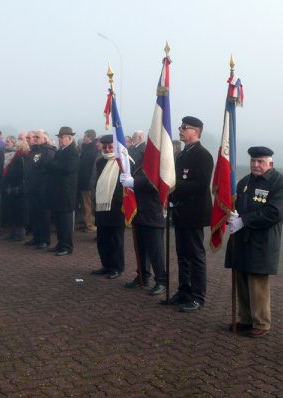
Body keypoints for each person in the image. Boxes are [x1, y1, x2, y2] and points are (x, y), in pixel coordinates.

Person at [225, 146, 283, 338]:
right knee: (242, 278)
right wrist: (234, 216)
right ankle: (246, 319)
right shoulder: (245, 181)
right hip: (242, 237)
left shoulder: (279, 183)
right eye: (253, 161)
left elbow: (274, 213)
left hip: (262, 239)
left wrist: (244, 220)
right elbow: (238, 205)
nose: (255, 165)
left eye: (260, 161)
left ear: (271, 163)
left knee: (257, 281)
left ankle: (261, 322)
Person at [167, 116, 214, 312]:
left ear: (196, 131)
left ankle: (197, 296)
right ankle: (184, 290)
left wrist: (175, 188)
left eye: (184, 128)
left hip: (194, 211)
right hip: (180, 211)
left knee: (195, 255)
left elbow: (201, 185)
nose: (180, 130)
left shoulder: (203, 155)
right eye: (181, 127)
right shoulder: (181, 155)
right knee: (182, 254)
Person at [120, 161, 168, 297]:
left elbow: (156, 184)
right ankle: (143, 276)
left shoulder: (160, 163)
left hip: (152, 213)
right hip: (139, 212)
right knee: (141, 248)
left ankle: (161, 281)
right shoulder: (142, 165)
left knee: (155, 251)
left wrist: (133, 182)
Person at [90, 134, 125, 279]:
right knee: (102, 238)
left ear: (115, 146)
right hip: (102, 204)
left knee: (115, 239)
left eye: (110, 146)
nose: (107, 149)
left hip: (117, 206)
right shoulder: (100, 161)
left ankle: (116, 267)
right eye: (105, 147)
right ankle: (106, 265)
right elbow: (97, 181)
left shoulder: (124, 161)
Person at [46, 127, 80, 256]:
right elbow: (53, 166)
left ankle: (67, 246)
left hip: (66, 192)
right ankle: (60, 244)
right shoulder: (61, 152)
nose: (59, 140)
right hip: (57, 191)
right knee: (59, 221)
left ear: (69, 138)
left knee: (65, 221)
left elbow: (67, 169)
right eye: (59, 137)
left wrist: (54, 166)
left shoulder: (73, 152)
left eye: (62, 137)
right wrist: (54, 166)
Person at [24, 130, 56, 249]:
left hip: (43, 189)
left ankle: (44, 239)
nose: (35, 139)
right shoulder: (33, 151)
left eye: (38, 137)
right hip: (32, 188)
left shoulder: (48, 151)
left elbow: (47, 170)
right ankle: (36, 237)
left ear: (45, 139)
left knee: (43, 216)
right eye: (35, 137)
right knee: (34, 215)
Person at [1, 139, 30, 241]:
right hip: (16, 187)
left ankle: (19, 234)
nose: (15, 148)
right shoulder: (20, 157)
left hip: (18, 188)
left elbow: (17, 173)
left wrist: (7, 178)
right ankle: (14, 233)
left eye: (17, 147)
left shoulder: (20, 158)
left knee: (19, 212)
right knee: (14, 211)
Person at [77, 129, 99, 233]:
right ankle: (87, 222)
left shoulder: (93, 150)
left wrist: (91, 182)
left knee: (87, 204)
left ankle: (90, 224)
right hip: (83, 180)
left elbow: (92, 168)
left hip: (87, 181)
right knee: (85, 203)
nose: (83, 137)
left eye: (85, 136)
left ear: (89, 137)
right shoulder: (87, 149)